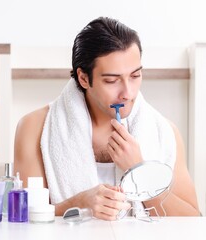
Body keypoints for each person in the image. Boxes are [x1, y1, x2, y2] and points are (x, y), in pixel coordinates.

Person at [14, 16, 200, 220]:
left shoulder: (165, 132)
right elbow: (24, 218)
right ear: (84, 78)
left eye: (135, 76)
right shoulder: (36, 128)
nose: (127, 92)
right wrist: (79, 204)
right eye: (112, 80)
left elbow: (193, 219)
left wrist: (140, 170)